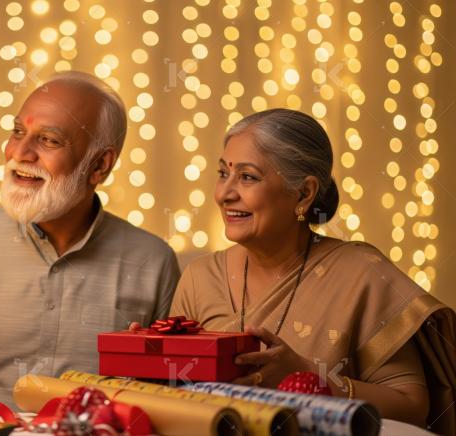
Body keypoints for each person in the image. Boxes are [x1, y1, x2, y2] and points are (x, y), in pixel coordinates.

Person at [170, 108, 455, 432]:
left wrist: (311, 378)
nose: (224, 194)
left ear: (304, 194)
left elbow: (413, 408)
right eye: (223, 174)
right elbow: (172, 392)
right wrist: (141, 351)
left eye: (247, 177)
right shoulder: (199, 277)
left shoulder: (362, 274)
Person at [0, 72, 180, 410]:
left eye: (49, 140)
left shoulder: (153, 263)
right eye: (18, 132)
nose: (20, 153)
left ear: (99, 166)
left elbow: (172, 397)